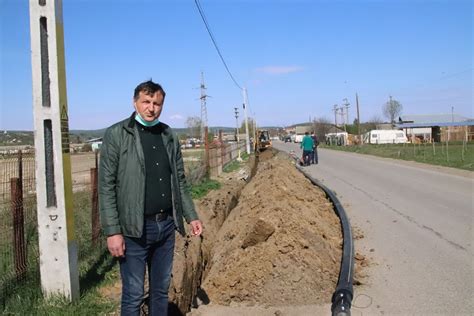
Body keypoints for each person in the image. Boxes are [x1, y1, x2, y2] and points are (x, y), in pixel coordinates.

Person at [99, 80, 203, 316]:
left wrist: (191, 215)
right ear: (135, 102)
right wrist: (113, 231)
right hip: (134, 229)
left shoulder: (168, 135)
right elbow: (106, 186)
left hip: (165, 227)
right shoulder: (117, 135)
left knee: (160, 292)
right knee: (133, 295)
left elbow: (179, 180)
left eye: (157, 103)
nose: (151, 108)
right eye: (146, 102)